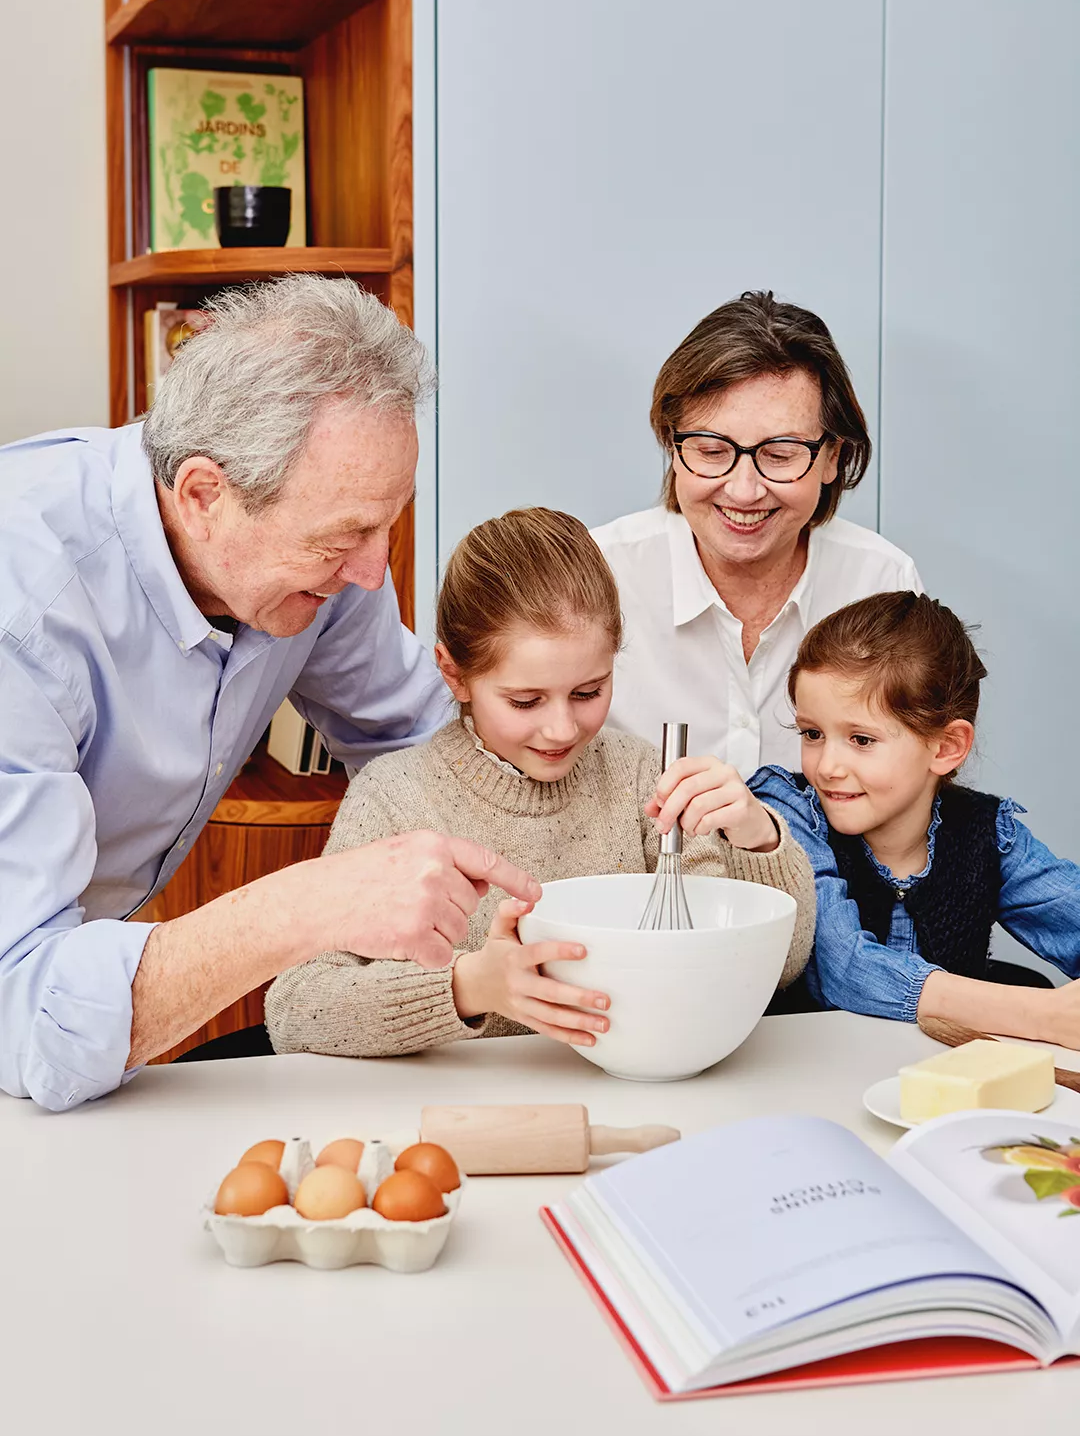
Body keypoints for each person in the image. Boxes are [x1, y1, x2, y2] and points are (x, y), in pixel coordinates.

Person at [0, 276, 540, 1111]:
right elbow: (24, 1011)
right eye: (344, 537)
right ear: (205, 495)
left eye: (387, 522)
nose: (372, 572)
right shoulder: (22, 610)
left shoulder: (319, 565)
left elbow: (430, 749)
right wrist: (308, 906)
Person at [265, 508, 815, 1058]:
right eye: (525, 701)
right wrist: (469, 986)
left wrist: (758, 837)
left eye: (589, 691)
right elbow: (296, 1008)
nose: (561, 728)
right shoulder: (393, 799)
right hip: (458, 1117)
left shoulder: (643, 779)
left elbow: (781, 970)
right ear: (453, 673)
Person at [593, 290, 921, 776]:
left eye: (781, 454)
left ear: (833, 457)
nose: (744, 491)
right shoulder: (597, 575)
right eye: (710, 450)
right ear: (672, 443)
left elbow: (908, 792)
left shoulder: (879, 581)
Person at [749, 592, 1080, 1044]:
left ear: (945, 747)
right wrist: (1039, 1014)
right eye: (812, 733)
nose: (827, 766)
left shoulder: (989, 835)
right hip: (807, 1081)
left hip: (943, 1088)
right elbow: (845, 969)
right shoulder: (788, 814)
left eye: (861, 740)